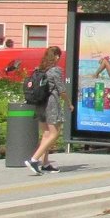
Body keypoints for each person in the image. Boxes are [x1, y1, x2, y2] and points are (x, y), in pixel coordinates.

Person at [26, 45, 66, 174]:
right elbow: (62, 90)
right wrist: (69, 103)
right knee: (54, 133)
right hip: (51, 104)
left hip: (39, 104)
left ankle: (45, 163)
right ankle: (34, 159)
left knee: (46, 134)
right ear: (56, 56)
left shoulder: (40, 69)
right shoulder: (55, 70)